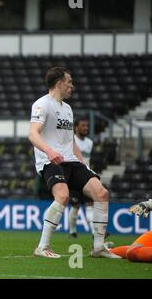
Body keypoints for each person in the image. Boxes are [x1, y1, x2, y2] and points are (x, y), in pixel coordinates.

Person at [29, 66, 120, 259]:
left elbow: (71, 142)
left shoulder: (68, 109)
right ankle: (42, 247)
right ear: (59, 83)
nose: (72, 86)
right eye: (69, 82)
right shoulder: (42, 104)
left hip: (71, 160)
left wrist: (85, 166)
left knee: (102, 193)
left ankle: (98, 247)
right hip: (50, 161)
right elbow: (32, 134)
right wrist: (49, 151)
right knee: (62, 196)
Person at [68, 116, 95, 238]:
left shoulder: (90, 143)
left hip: (86, 176)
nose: (86, 128)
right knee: (76, 206)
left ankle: (94, 232)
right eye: (83, 125)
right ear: (76, 127)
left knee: (90, 204)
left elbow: (88, 160)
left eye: (87, 126)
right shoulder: (71, 140)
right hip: (73, 177)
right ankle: (72, 231)